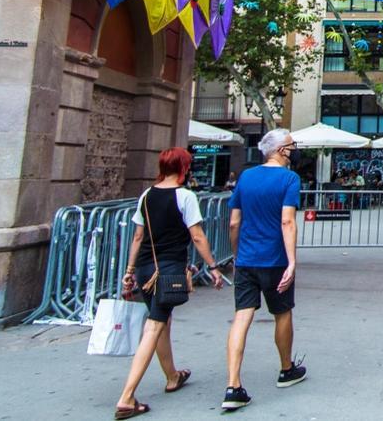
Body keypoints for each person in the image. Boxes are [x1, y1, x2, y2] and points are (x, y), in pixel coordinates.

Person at [115, 148, 224, 420]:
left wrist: (129, 271)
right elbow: (197, 235)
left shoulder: (146, 195)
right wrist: (213, 266)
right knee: (154, 326)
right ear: (184, 168)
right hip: (168, 270)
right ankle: (127, 396)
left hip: (144, 268)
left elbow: (138, 236)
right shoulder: (184, 196)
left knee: (161, 320)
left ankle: (172, 376)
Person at [222, 129, 306, 412]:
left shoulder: (246, 177)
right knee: (282, 312)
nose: (295, 149)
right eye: (293, 145)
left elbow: (234, 222)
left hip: (246, 259)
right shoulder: (289, 179)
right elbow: (287, 221)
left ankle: (233, 385)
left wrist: (236, 254)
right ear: (282, 150)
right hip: (275, 260)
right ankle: (286, 368)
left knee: (241, 317)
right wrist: (292, 261)